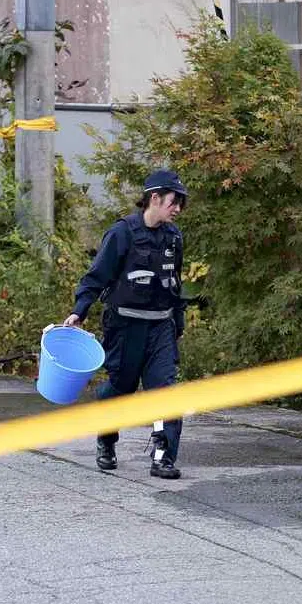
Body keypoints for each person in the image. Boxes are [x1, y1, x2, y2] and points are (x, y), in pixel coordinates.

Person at [63, 169, 188, 480]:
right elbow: (96, 276)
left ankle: (163, 458)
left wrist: (178, 323)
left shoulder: (174, 238)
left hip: (161, 328)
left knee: (165, 391)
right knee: (121, 388)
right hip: (125, 327)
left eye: (182, 204)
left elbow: (175, 284)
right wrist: (80, 311)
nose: (178, 210)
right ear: (154, 198)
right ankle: (106, 440)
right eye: (174, 202)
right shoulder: (122, 234)